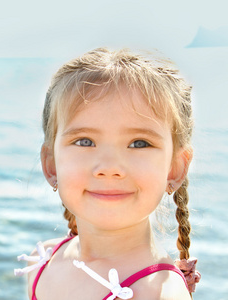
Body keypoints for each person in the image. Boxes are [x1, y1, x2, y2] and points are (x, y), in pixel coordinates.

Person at [14, 48, 201, 300]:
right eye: (84, 141)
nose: (110, 167)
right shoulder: (43, 260)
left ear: (174, 168)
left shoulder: (159, 294)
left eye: (139, 143)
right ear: (51, 165)